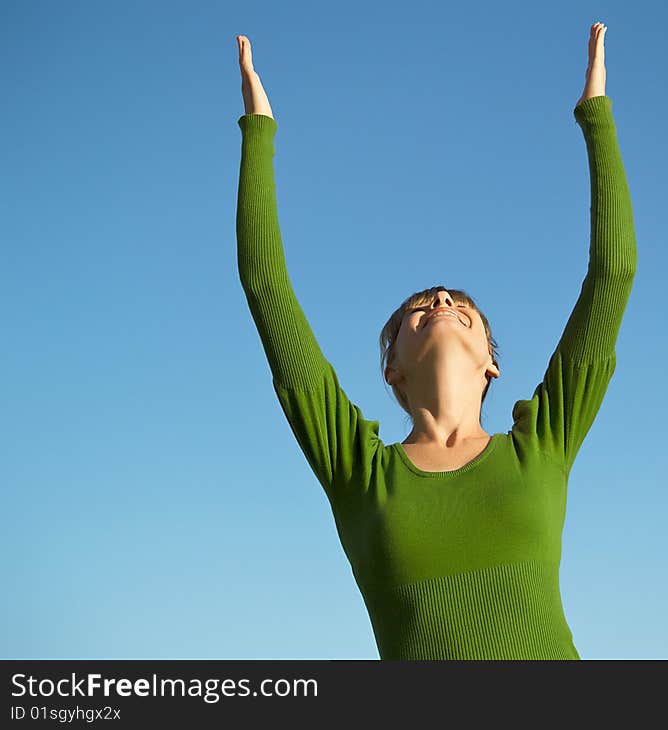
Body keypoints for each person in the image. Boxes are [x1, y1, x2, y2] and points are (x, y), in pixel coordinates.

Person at [235, 22, 637, 659]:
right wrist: (258, 132)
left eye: (461, 307)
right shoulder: (357, 472)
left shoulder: (544, 445)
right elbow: (265, 285)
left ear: (492, 367)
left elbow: (613, 272)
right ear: (391, 369)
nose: (443, 302)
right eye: (419, 309)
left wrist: (597, 115)